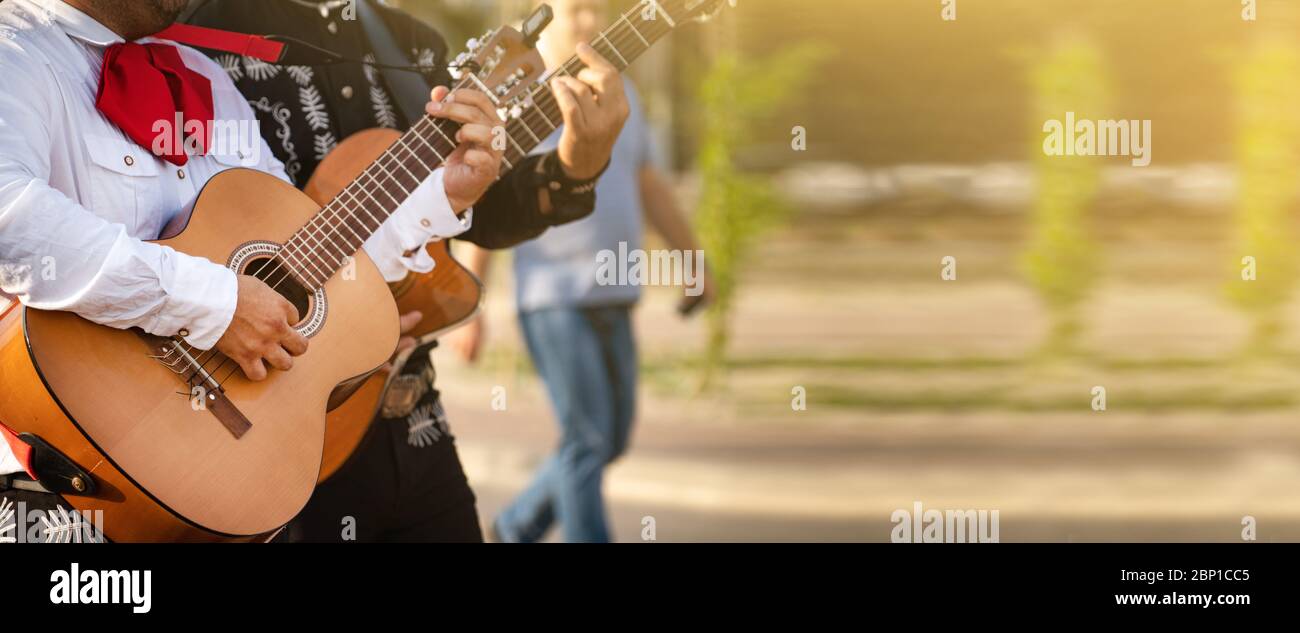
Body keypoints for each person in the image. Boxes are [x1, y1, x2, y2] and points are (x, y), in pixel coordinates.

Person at [0, 0, 505, 541]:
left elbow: (301, 258)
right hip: (44, 486)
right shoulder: (15, 53)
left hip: (207, 485)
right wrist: (215, 304)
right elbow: (12, 217)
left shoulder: (206, 81)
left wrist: (440, 195)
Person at [185, 0, 629, 542]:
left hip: (411, 413)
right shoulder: (197, 28)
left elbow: (476, 214)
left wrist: (576, 167)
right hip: (263, 422)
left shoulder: (408, 41)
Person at [450, 0, 713, 543]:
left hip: (616, 290)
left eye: (598, 10)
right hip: (553, 297)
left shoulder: (623, 94)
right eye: (577, 9)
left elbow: (649, 184)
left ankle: (515, 528)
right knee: (588, 439)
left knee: (610, 439)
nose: (590, 22)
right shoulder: (524, 101)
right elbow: (485, 203)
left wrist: (692, 260)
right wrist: (469, 305)